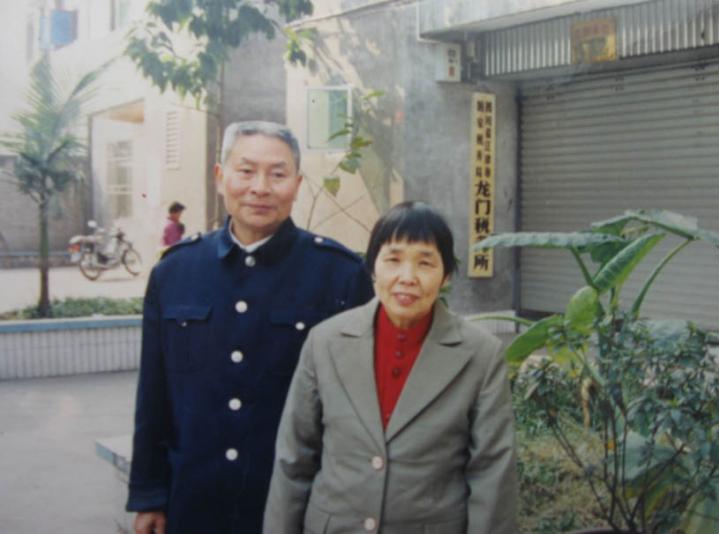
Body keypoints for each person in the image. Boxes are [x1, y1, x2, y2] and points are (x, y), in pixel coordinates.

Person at [126, 121, 374, 534]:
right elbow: (154, 394)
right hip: (195, 499)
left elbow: (355, 409)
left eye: (277, 174)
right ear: (221, 177)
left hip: (294, 504)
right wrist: (149, 493)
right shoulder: (175, 272)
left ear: (297, 184)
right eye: (246, 171)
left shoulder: (339, 275)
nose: (260, 187)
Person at [264, 201, 519, 533]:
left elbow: (492, 474)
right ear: (373, 268)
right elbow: (294, 459)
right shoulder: (325, 342)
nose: (407, 277)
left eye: (425, 263)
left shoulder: (480, 355)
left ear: (445, 276)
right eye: (393, 260)